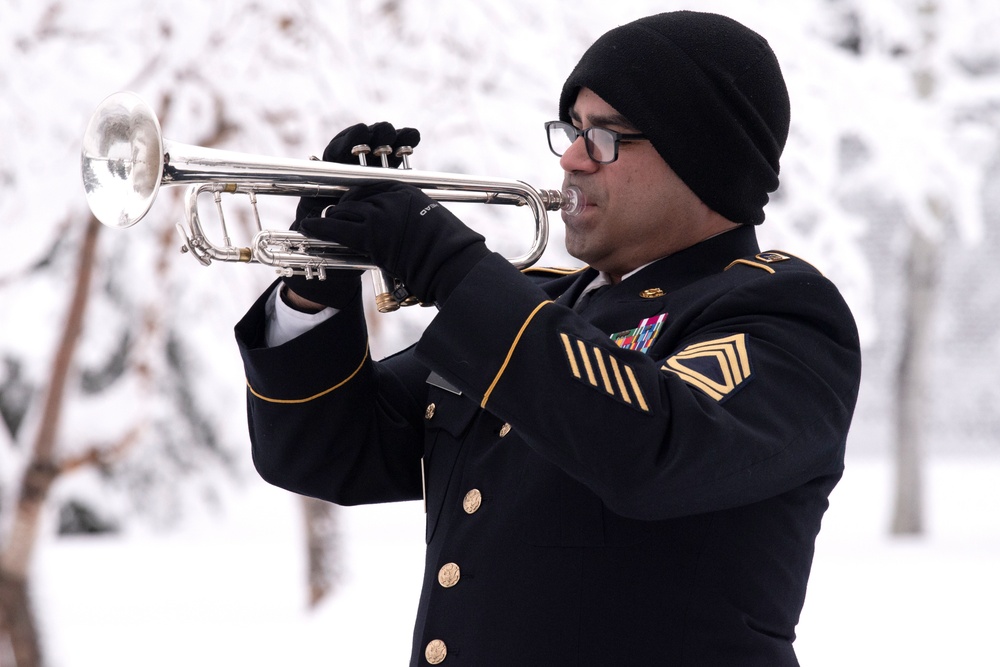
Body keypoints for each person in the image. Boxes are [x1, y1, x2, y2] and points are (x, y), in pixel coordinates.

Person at [235, 10, 861, 666]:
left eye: (605, 137)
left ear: (700, 157)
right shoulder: (538, 308)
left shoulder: (780, 313)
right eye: (570, 129)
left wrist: (449, 265)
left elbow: (651, 442)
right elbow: (323, 450)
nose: (570, 157)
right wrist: (319, 279)